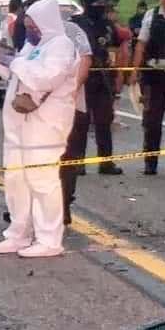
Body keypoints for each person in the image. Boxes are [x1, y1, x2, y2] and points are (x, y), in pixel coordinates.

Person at [0, 0, 78, 258]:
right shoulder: (32, 45)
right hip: (19, 125)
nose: (30, 29)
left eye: (33, 24)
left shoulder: (61, 45)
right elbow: (20, 72)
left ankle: (49, 239)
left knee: (42, 180)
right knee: (16, 179)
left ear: (45, 22)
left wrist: (16, 63)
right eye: (27, 24)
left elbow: (45, 77)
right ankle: (18, 234)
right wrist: (0, 61)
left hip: (44, 127)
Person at [69, 0, 123, 175]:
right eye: (97, 4)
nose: (100, 8)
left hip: (103, 78)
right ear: (86, 5)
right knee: (80, 123)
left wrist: (117, 75)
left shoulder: (108, 25)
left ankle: (106, 162)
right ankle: (78, 162)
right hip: (83, 79)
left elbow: (115, 48)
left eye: (103, 4)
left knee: (104, 121)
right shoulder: (75, 24)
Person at [129, 0, 165, 175]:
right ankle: (150, 162)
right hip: (154, 75)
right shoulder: (151, 16)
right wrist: (134, 71)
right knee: (152, 120)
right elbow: (141, 45)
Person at [60, 15, 95, 225]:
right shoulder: (33, 35)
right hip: (39, 112)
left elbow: (86, 58)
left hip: (70, 107)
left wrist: (73, 88)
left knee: (67, 158)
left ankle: (63, 205)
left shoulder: (72, 31)